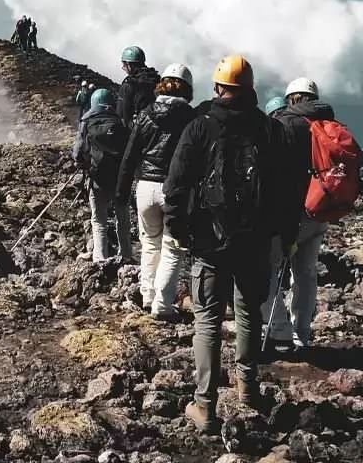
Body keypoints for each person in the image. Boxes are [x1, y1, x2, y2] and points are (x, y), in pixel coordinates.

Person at [164, 55, 298, 431]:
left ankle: (204, 406)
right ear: (250, 89)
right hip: (256, 242)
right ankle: (248, 388)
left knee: (207, 319)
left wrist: (178, 228)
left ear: (218, 88)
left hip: (209, 241)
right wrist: (285, 236)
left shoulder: (200, 127)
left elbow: (175, 184)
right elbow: (287, 191)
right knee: (249, 314)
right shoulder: (271, 130)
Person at [116, 63, 196, 321]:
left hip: (145, 187)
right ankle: (162, 305)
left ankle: (148, 295)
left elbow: (129, 156)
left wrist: (121, 192)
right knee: (173, 247)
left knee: (150, 243)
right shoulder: (192, 118)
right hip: (176, 189)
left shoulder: (146, 114)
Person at [266, 77, 335, 352]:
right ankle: (302, 334)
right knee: (305, 273)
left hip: (292, 211)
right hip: (320, 209)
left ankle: (280, 329)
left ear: (291, 98)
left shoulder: (285, 123)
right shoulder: (328, 124)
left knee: (268, 270)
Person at [73, 88, 132, 265]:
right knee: (122, 218)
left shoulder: (86, 122)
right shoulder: (121, 123)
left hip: (97, 178)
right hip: (120, 180)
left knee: (99, 220)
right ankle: (126, 255)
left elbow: (78, 152)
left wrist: (82, 162)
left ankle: (100, 257)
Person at [116, 46, 160, 127]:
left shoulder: (128, 85)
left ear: (129, 65)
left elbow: (122, 116)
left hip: (137, 131)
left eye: (124, 65)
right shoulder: (156, 79)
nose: (124, 68)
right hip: (157, 129)